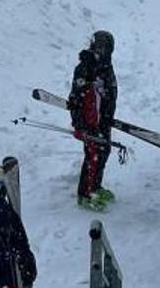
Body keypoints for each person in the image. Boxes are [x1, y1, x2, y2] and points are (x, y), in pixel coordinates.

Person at [68, 31, 118, 212]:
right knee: (93, 156)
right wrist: (79, 124)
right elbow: (76, 98)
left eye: (105, 47)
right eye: (98, 46)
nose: (101, 50)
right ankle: (85, 195)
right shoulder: (86, 67)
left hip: (103, 120)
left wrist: (108, 116)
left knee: (103, 152)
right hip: (90, 123)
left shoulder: (106, 66)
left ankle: (95, 187)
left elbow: (107, 95)